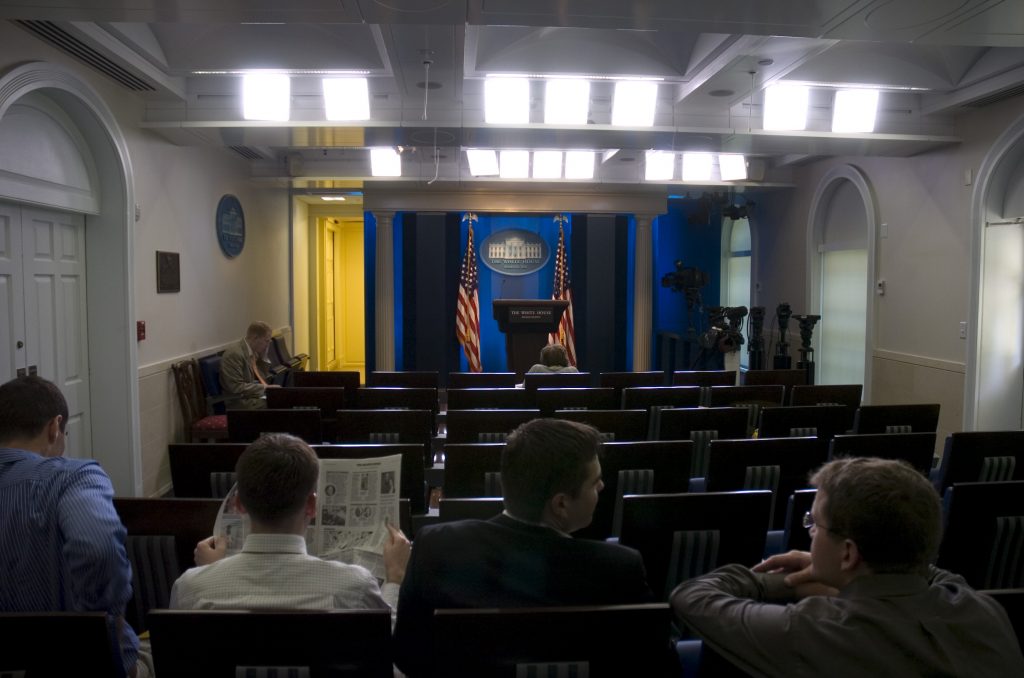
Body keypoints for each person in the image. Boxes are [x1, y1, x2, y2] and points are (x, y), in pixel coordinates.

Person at [671, 457, 1024, 677]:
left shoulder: (810, 632)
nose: (809, 531)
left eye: (814, 523)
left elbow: (692, 596)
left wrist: (788, 583)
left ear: (849, 553)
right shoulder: (985, 611)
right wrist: (834, 574)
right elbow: (935, 575)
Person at [393, 418, 654, 676]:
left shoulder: (434, 545)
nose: (602, 486)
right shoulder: (620, 570)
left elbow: (407, 657)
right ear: (560, 504)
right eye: (594, 482)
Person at [0, 376, 146, 677]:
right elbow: (100, 548)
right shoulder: (73, 477)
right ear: (55, 427)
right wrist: (105, 622)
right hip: (77, 663)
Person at [170, 433, 410, 614]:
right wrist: (395, 577)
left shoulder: (192, 588)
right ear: (312, 506)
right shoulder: (354, 586)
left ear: (239, 504)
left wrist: (208, 572)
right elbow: (386, 644)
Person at [219, 321, 280, 409]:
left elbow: (261, 377)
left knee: (282, 399)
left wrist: (264, 356)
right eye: (266, 341)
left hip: (251, 396)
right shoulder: (235, 354)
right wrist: (265, 388)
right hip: (239, 402)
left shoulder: (252, 352)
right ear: (255, 338)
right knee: (280, 402)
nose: (268, 345)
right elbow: (236, 387)